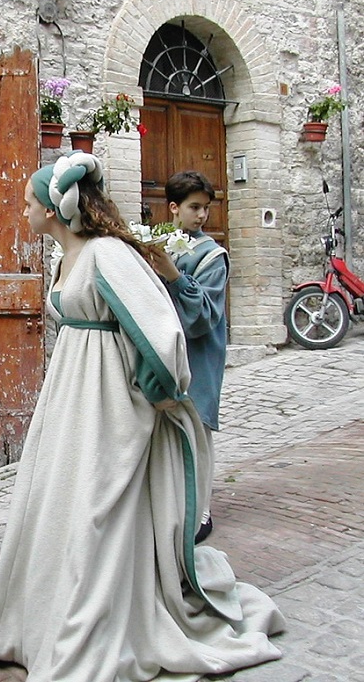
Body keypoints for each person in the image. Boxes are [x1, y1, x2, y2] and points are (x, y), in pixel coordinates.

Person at [0, 152, 283, 680]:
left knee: (100, 503)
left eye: (28, 202)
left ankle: (104, 616)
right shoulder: (64, 259)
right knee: (61, 497)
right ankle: (40, 617)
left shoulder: (106, 254)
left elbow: (161, 329)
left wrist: (159, 395)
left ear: (52, 209)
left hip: (108, 397)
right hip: (71, 390)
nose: (23, 211)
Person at [148, 170, 229, 544]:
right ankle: (170, 508)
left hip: (198, 356)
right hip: (165, 355)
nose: (201, 216)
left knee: (198, 433)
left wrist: (175, 277)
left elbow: (205, 316)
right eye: (194, 207)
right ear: (174, 208)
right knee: (166, 433)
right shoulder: (158, 244)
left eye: (205, 208)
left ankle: (201, 514)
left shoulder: (214, 256)